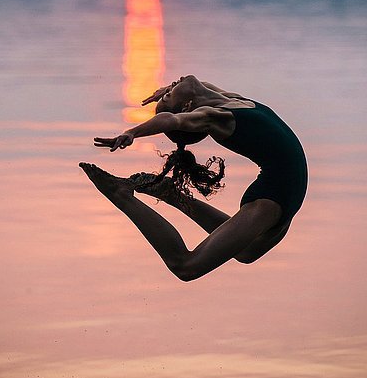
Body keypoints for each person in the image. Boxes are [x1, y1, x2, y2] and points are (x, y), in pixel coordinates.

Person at [80, 75, 307, 281]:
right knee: (185, 266)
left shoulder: (229, 99)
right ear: (188, 107)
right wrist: (132, 133)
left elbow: (197, 86)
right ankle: (120, 195)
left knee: (247, 252)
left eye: (167, 95)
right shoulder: (216, 117)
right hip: (273, 195)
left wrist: (169, 89)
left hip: (288, 192)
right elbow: (172, 120)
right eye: (169, 97)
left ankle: (173, 196)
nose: (169, 90)